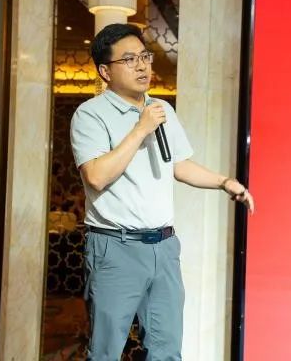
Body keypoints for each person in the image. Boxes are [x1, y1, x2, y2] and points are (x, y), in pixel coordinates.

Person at [70, 23, 254, 361]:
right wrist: (140, 129)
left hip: (164, 246)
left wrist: (225, 182)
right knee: (106, 352)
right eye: (129, 60)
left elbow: (178, 165)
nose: (142, 66)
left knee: (167, 350)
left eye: (144, 56)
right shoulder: (91, 115)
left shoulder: (162, 110)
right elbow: (96, 176)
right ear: (105, 71)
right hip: (115, 247)